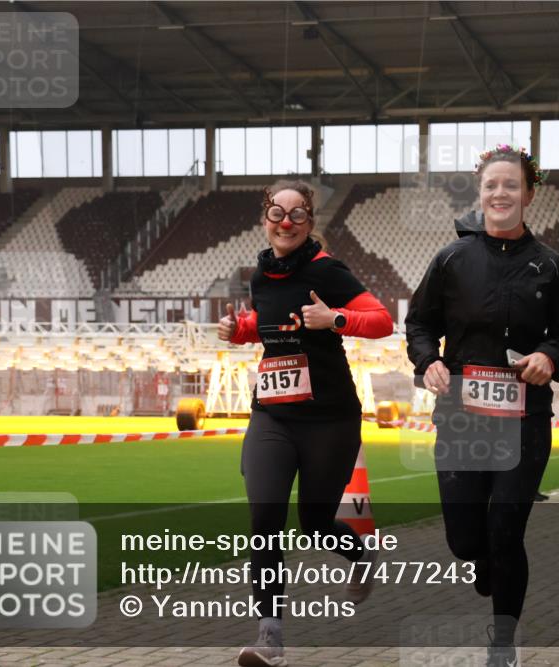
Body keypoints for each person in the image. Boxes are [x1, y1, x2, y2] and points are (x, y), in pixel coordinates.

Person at [405, 144, 559, 667]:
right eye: (491, 185)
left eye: (511, 185)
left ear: (529, 193)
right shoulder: (450, 260)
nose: (500, 193)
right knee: (466, 542)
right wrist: (428, 362)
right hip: (461, 418)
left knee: (507, 531)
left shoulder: (549, 266)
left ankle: (503, 646)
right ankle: (481, 556)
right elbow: (419, 324)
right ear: (480, 193)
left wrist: (549, 357)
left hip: (525, 421)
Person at [219, 181, 394, 667]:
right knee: (265, 521)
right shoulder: (260, 273)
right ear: (265, 219)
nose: (286, 221)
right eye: (277, 211)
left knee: (314, 524)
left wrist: (334, 319)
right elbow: (270, 324)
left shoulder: (327, 271)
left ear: (310, 223)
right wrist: (240, 331)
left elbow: (380, 321)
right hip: (272, 415)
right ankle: (271, 637)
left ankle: (360, 555)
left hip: (329, 420)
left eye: (297, 214)